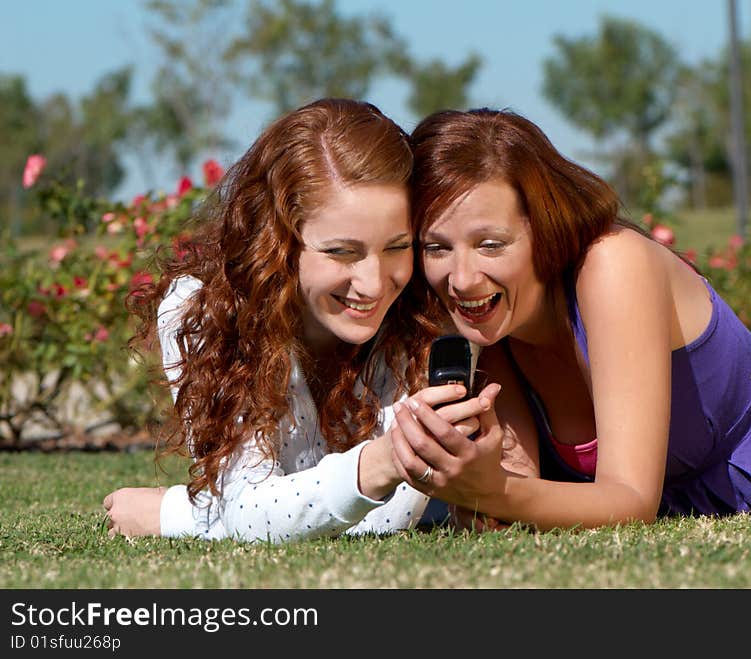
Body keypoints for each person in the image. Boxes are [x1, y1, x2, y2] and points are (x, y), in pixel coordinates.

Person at [388, 107, 751, 532]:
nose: (463, 277)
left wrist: (494, 491)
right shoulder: (488, 322)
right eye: (437, 247)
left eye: (491, 243)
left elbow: (629, 500)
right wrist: (472, 485)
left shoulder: (613, 265)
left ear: (545, 228)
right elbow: (518, 497)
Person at [102, 99, 495, 542]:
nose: (373, 283)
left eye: (396, 247)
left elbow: (389, 518)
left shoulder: (424, 312)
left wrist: (182, 515)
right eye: (341, 252)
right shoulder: (199, 310)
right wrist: (384, 462)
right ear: (279, 241)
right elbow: (254, 509)